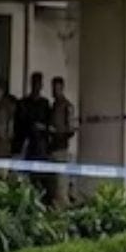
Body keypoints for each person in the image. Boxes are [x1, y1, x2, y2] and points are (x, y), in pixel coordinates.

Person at [47, 76, 76, 209]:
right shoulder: (53, 106)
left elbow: (71, 129)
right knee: (52, 188)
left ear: (62, 88)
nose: (54, 91)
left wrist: (56, 131)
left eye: (57, 88)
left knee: (61, 188)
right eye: (53, 88)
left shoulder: (67, 106)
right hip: (51, 150)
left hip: (61, 150)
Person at [16, 71, 51, 161]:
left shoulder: (45, 103)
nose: (36, 86)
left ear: (41, 85)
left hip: (41, 144)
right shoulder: (23, 103)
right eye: (35, 83)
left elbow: (49, 124)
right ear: (31, 84)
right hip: (27, 143)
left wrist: (43, 127)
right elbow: (19, 125)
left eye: (38, 83)